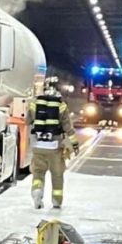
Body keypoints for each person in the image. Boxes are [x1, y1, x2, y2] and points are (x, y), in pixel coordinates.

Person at [28, 76, 79, 209]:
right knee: (57, 175)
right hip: (55, 147)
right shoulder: (61, 106)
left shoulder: (34, 104)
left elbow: (27, 122)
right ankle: (56, 200)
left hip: (38, 146)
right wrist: (74, 144)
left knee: (38, 172)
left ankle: (37, 191)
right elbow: (68, 128)